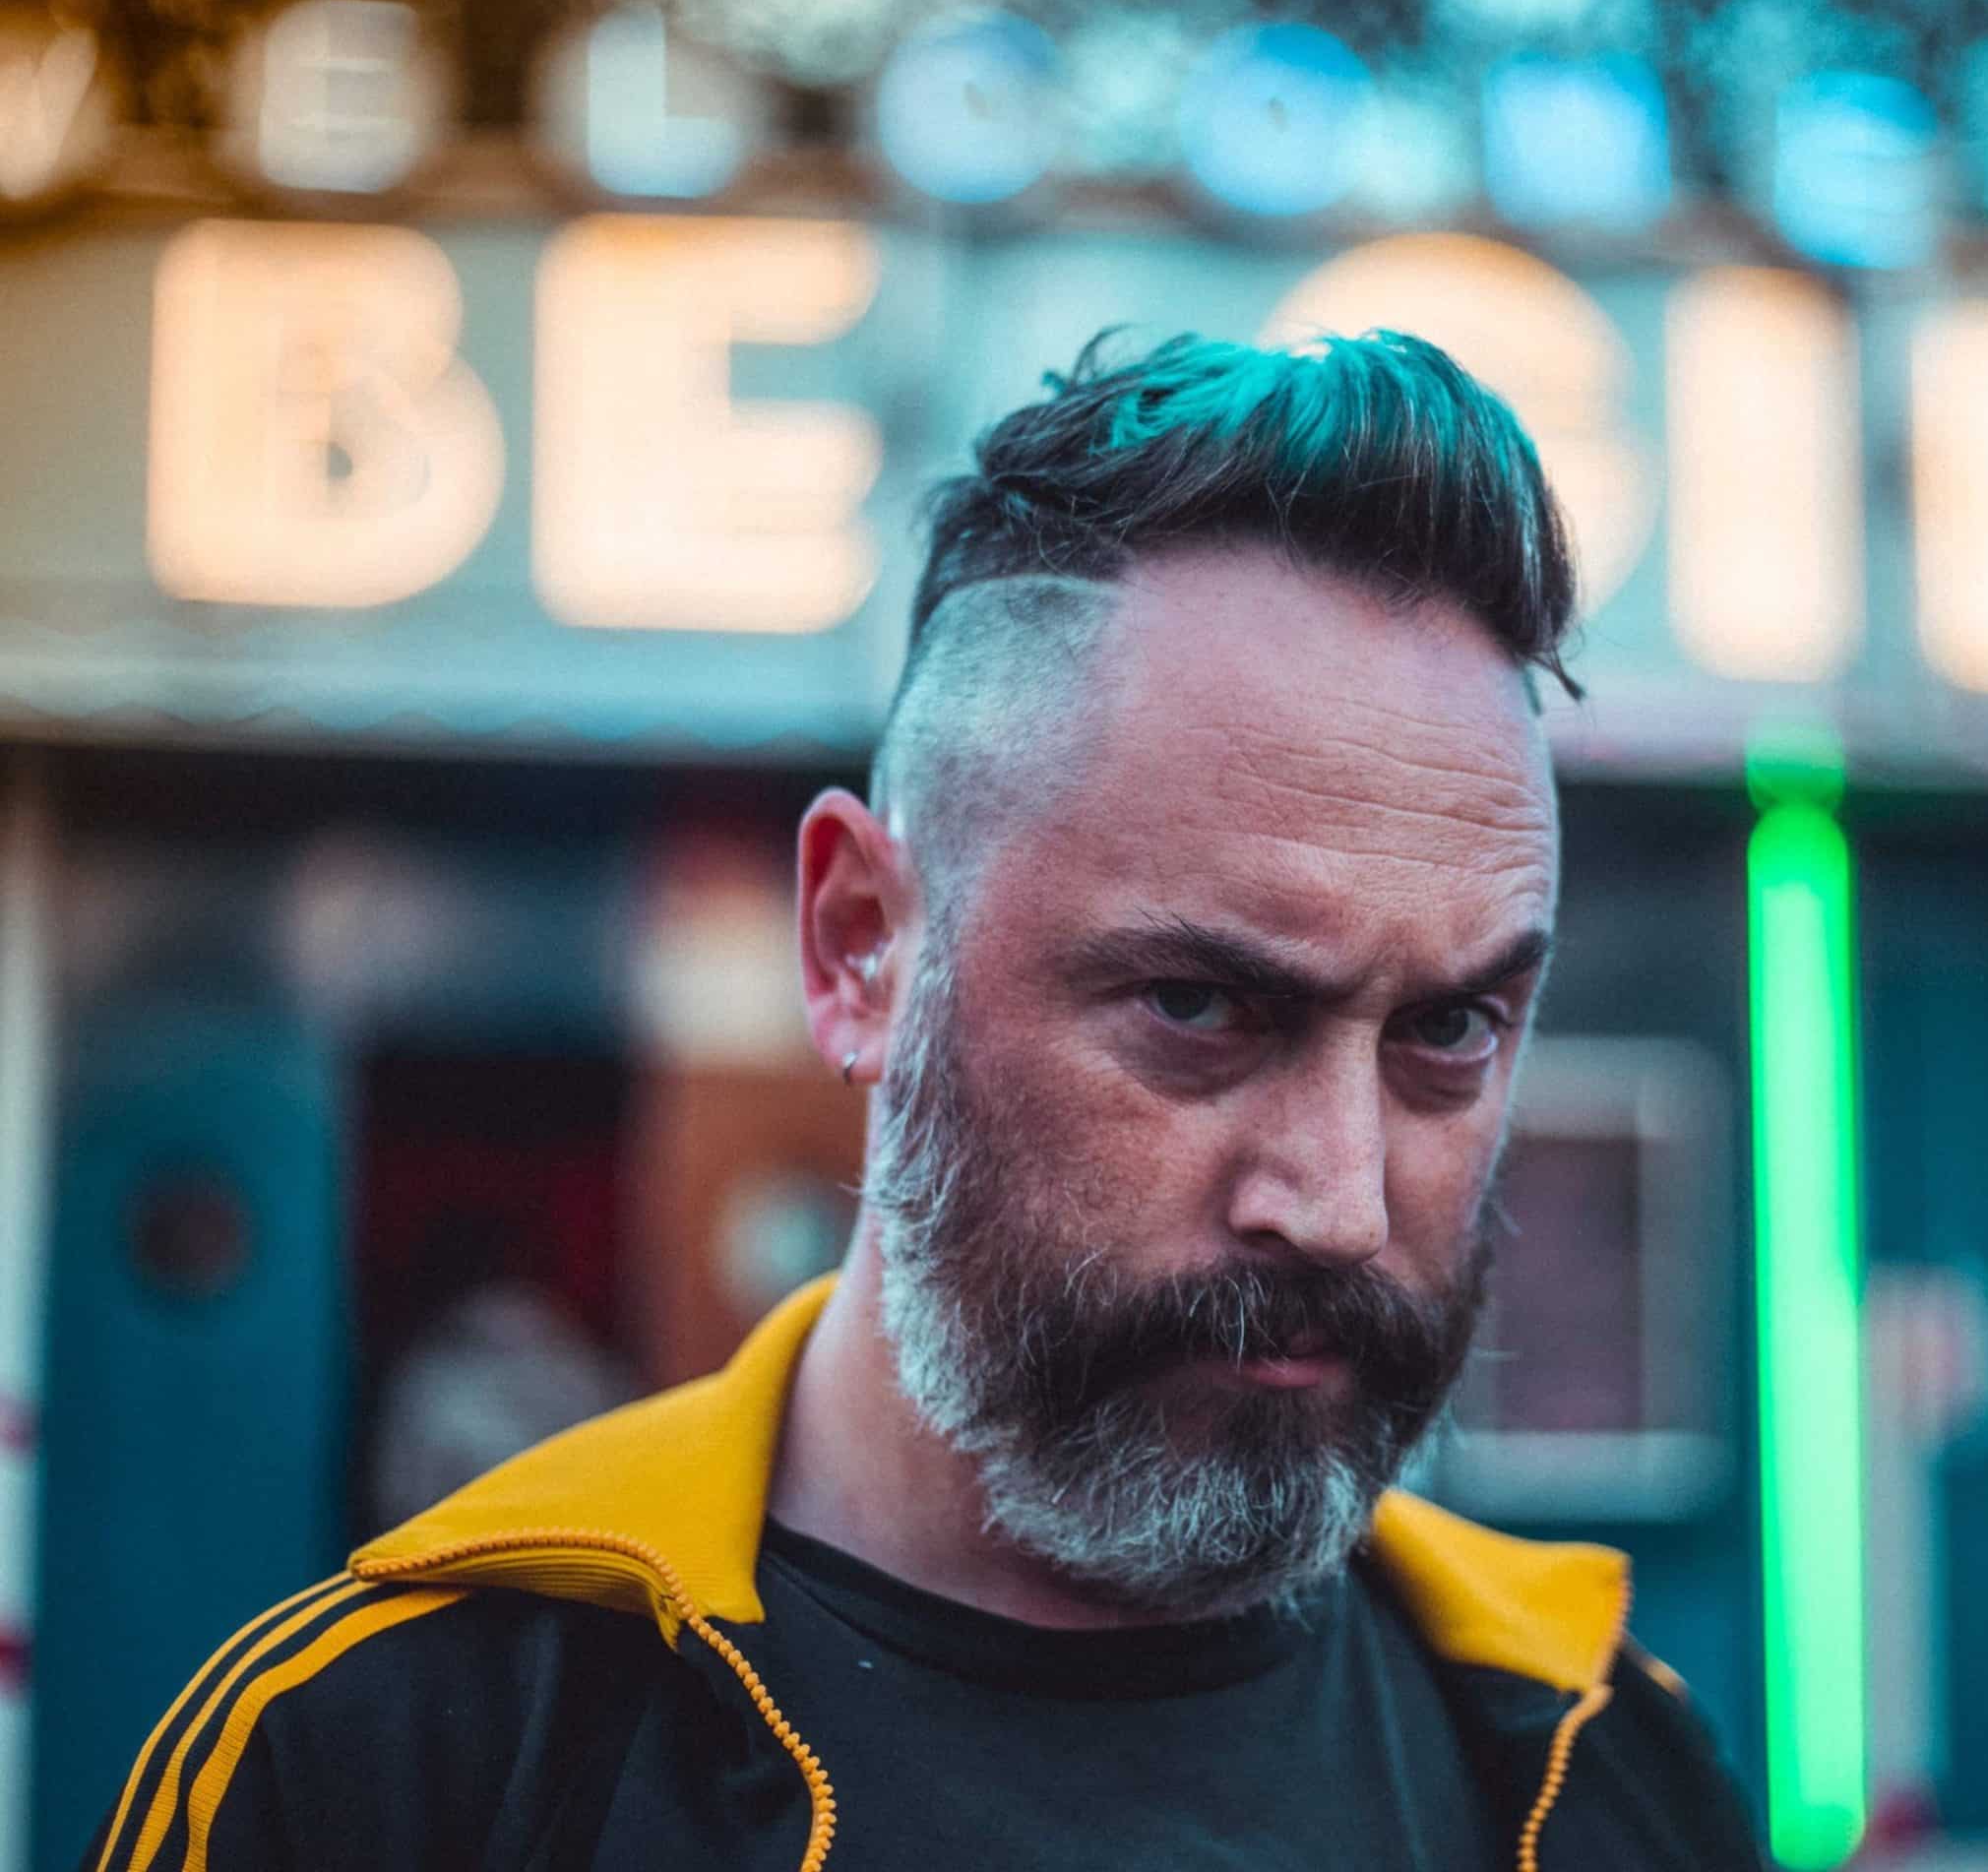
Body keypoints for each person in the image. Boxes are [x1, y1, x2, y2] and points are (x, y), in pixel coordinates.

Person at [87, 331, 1767, 1870]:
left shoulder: (1599, 1757)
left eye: (1451, 1030)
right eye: (1199, 1007)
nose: (1338, 1201)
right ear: (862, 947)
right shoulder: (398, 1763)